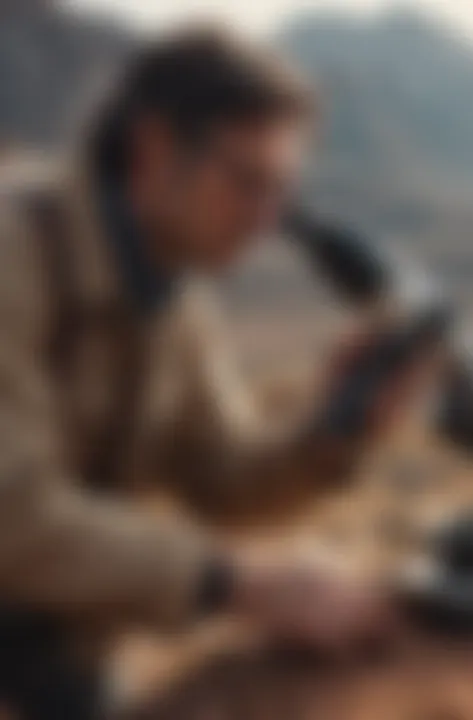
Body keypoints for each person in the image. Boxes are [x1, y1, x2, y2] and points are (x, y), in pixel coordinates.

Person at [0, 30, 430, 719]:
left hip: (44, 648)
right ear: (153, 151)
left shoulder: (171, 295)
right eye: (247, 182)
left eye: (280, 194)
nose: (264, 222)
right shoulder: (13, 254)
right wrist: (239, 584)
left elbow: (222, 475)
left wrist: (335, 434)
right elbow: (12, 521)